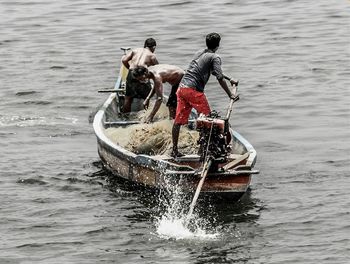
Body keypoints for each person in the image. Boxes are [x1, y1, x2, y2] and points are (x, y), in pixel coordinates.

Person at [171, 32, 238, 157]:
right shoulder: (215, 57)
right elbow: (219, 77)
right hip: (193, 91)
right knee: (207, 120)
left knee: (178, 122)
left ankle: (174, 150)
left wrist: (230, 79)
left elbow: (214, 72)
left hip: (182, 89)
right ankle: (203, 151)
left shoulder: (199, 53)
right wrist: (230, 95)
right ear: (218, 45)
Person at [121, 38, 159, 113]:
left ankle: (125, 116)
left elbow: (124, 60)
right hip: (142, 75)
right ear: (154, 47)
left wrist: (130, 69)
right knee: (147, 97)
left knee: (128, 98)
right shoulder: (152, 56)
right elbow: (158, 69)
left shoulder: (135, 50)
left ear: (145, 45)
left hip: (132, 73)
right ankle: (146, 115)